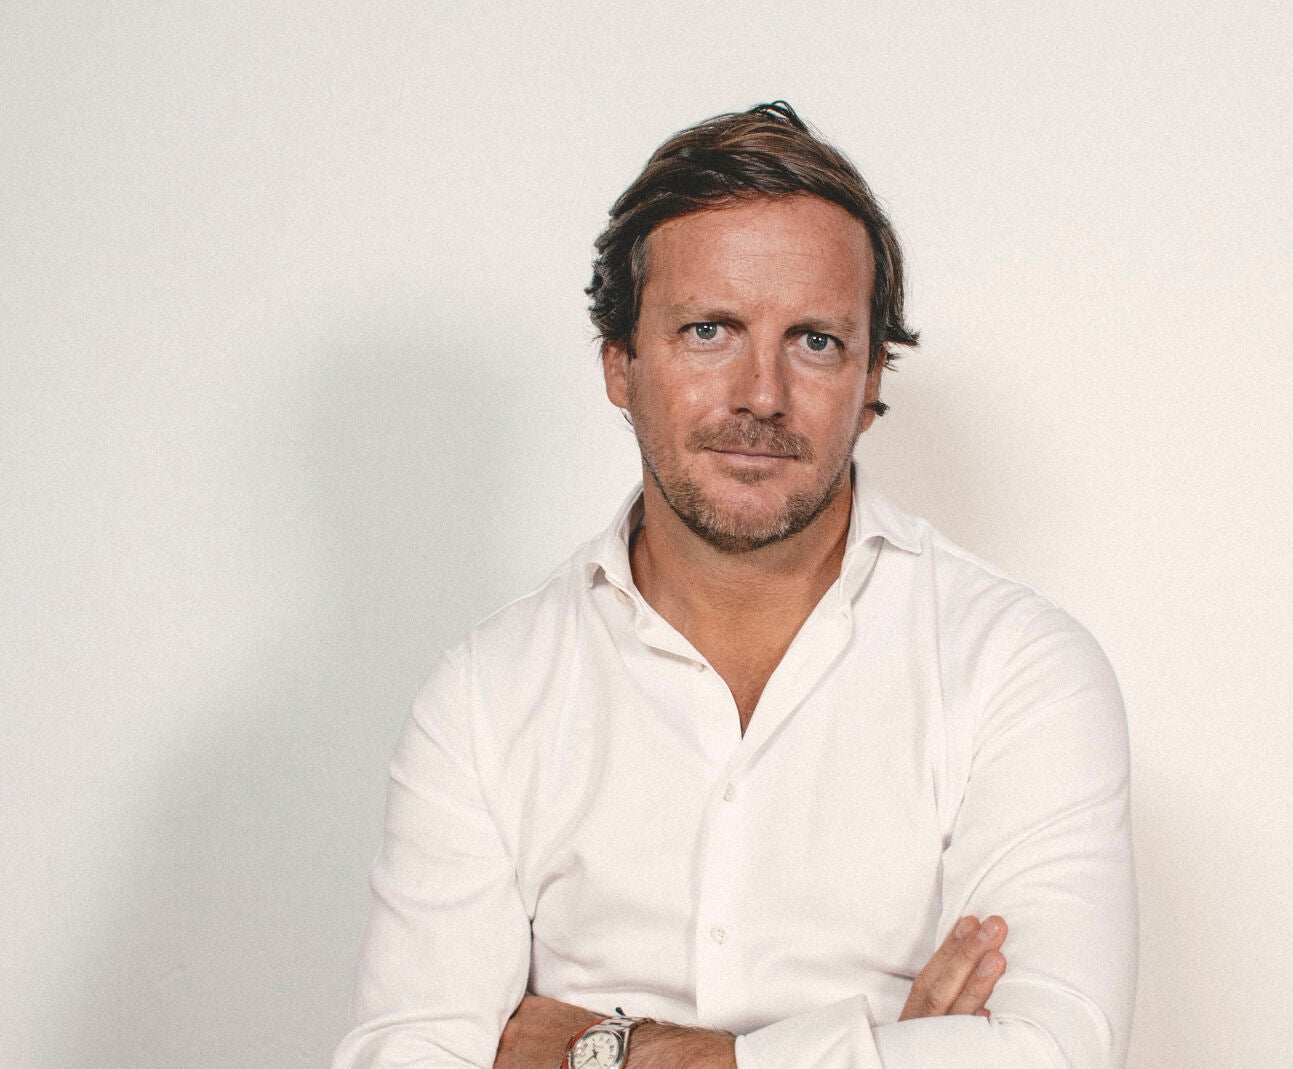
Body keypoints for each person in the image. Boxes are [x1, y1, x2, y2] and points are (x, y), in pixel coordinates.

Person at [333, 102, 1135, 1069]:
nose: (762, 394)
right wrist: (887, 1049)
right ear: (621, 364)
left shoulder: (1018, 668)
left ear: (873, 378)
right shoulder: (486, 694)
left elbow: (1052, 1053)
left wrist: (614, 1052)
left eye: (815, 341)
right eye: (708, 330)